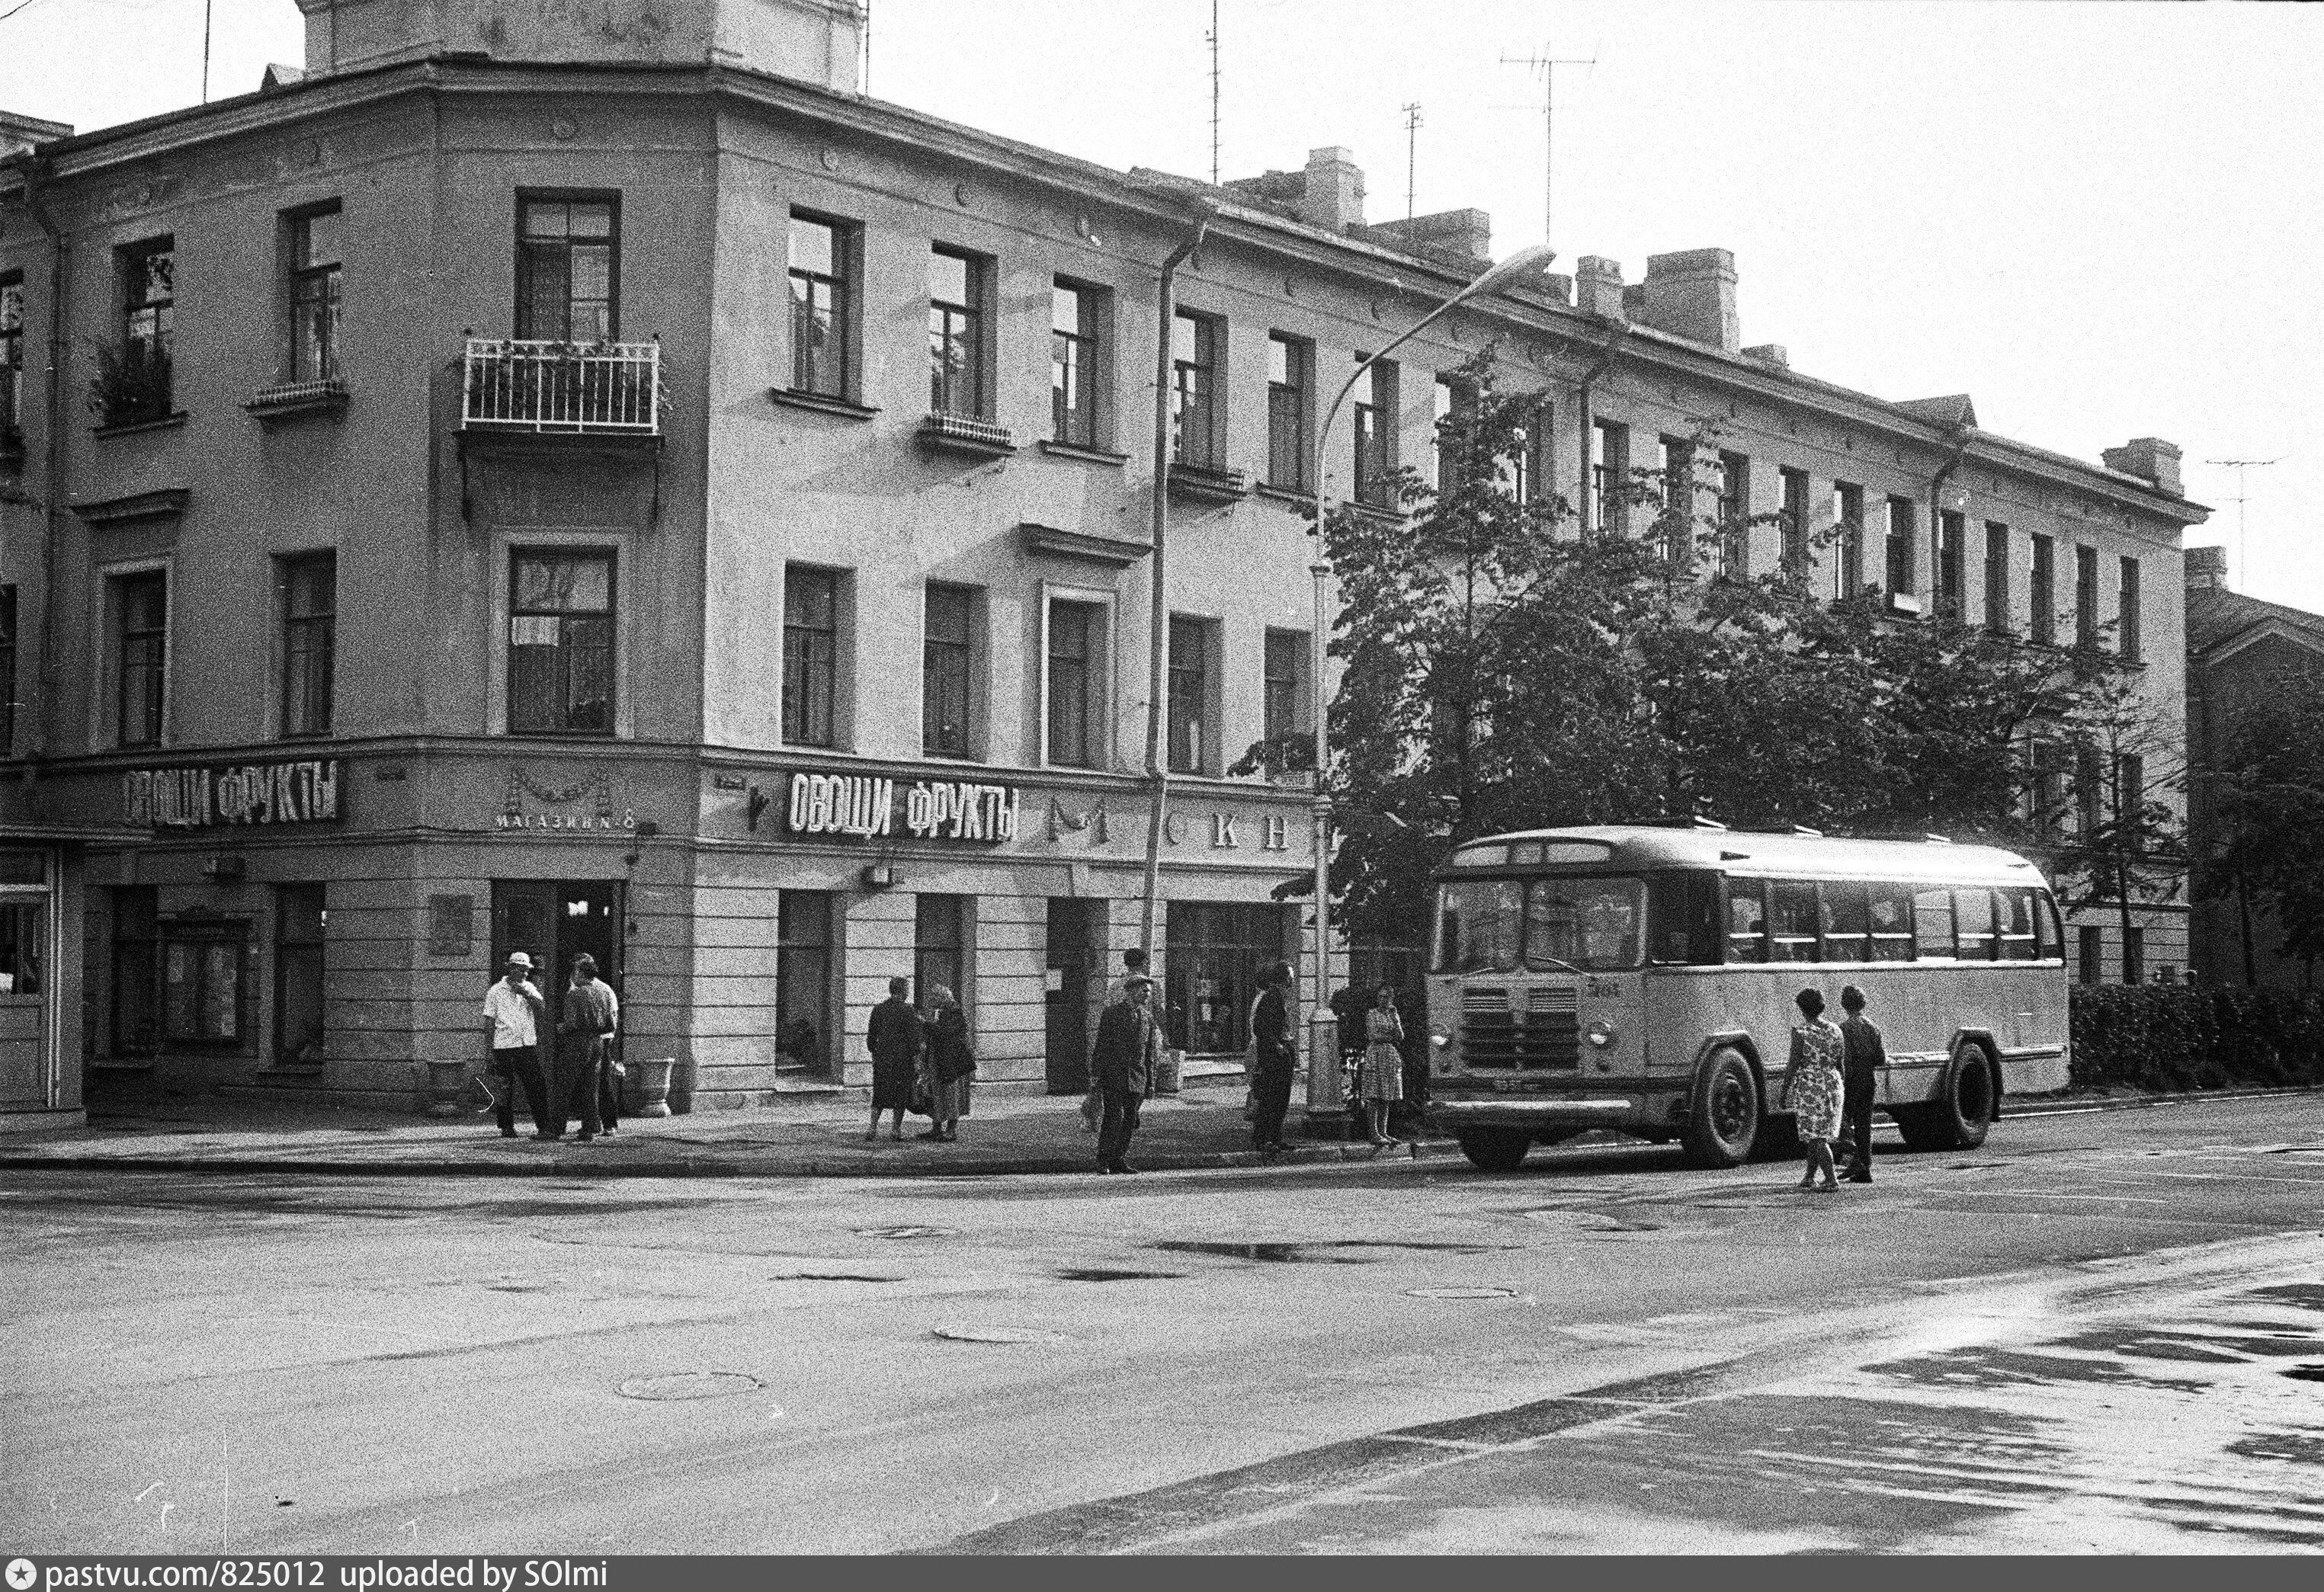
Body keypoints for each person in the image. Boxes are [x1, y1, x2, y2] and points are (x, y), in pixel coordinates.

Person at [1088, 975, 1162, 1174]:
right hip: (1114, 1074)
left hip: (1138, 1076)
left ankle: (1118, 1159)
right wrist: (1096, 1075)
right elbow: (1102, 1045)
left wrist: (1151, 1082)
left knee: (1130, 1119)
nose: (1148, 995)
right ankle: (1103, 1160)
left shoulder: (1147, 1017)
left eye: (1148, 991)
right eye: (1144, 991)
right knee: (1114, 1117)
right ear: (1131, 991)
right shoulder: (1112, 1013)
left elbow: (1149, 1052)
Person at [481, 952, 551, 1139]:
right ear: (511, 969)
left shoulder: (529, 988)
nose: (524, 973)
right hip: (503, 1045)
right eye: (520, 969)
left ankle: (543, 1125)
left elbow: (541, 1009)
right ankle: (506, 1126)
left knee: (536, 1085)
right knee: (505, 1087)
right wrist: (489, 1052)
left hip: (526, 1044)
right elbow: (489, 1022)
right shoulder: (495, 991)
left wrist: (526, 994)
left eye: (526, 970)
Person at [553, 953, 619, 1144]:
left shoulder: (575, 993)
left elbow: (571, 1023)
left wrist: (562, 1028)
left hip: (578, 1042)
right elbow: (611, 1023)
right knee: (591, 1087)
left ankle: (556, 1127)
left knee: (565, 1085)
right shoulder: (603, 991)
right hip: (598, 1042)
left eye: (574, 970)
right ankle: (590, 1128)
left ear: (579, 972)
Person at [1785, 987, 1845, 1192]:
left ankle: (1831, 1179)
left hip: (1811, 1086)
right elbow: (1840, 1062)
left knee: (1817, 1137)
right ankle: (1809, 1176)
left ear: (1802, 1009)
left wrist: (1785, 1090)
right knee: (1816, 1135)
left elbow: (1793, 1064)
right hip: (1833, 1083)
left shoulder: (1801, 1032)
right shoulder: (1836, 1030)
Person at [1836, 984, 1885, 1184]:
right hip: (1868, 1080)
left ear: (1843, 1005)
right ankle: (1865, 1168)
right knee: (1864, 1125)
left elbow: (1845, 1061)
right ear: (1863, 1004)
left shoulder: (1844, 1029)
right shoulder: (1872, 1027)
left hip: (1852, 1081)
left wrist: (1842, 1082)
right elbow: (1881, 1058)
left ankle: (1855, 1162)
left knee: (1844, 1123)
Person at [865, 976, 923, 1142]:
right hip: (902, 1061)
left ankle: (872, 1128)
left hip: (883, 1059)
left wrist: (875, 1053)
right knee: (900, 1096)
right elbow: (913, 1039)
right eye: (907, 989)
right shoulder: (907, 1011)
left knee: (879, 1095)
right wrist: (916, 1056)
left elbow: (871, 1038)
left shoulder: (878, 1009)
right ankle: (895, 1131)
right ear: (903, 991)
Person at [1249, 961, 1297, 1153]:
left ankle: (1275, 1138)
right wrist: (1277, 1046)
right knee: (1272, 1098)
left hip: (1280, 1055)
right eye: (1291, 976)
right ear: (1285, 978)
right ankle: (1264, 1139)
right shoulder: (1271, 998)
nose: (1293, 980)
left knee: (1280, 1099)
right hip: (1274, 1058)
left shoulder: (1278, 997)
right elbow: (1260, 1027)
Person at [916, 984, 974, 1142]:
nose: (931, 1001)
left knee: (951, 1093)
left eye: (934, 998)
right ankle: (936, 1127)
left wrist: (925, 1024)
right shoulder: (939, 1012)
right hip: (937, 1057)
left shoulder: (955, 1012)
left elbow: (944, 1033)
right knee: (936, 1093)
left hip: (950, 1060)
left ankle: (951, 1130)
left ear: (942, 998)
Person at [1359, 983, 1406, 1147]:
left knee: (1386, 1097)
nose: (1383, 1000)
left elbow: (1400, 1036)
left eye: (1387, 997)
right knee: (1374, 1095)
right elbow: (1373, 1036)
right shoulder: (1372, 1014)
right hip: (1376, 1054)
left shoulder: (1393, 1014)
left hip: (1389, 1056)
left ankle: (1383, 1131)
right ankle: (1374, 1133)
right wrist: (1390, 1036)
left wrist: (1395, 1020)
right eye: (1381, 996)